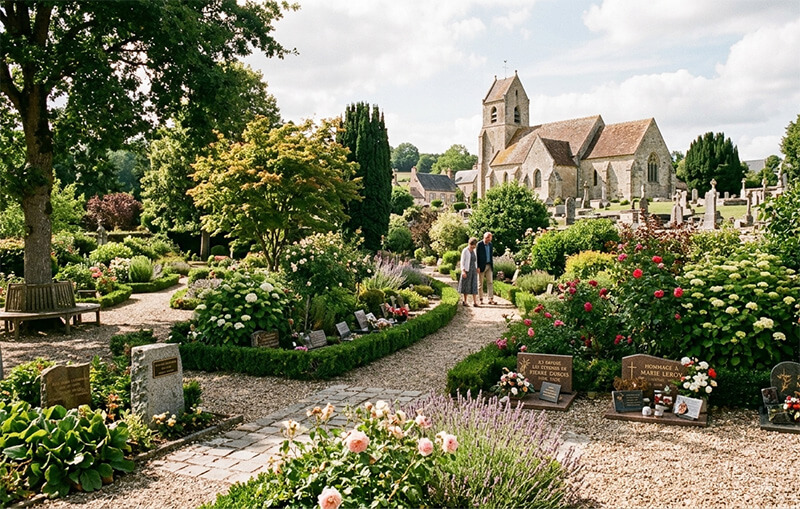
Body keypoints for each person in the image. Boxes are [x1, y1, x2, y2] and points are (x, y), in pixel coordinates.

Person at [458, 237, 479, 307]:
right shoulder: (465, 250)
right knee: (466, 286)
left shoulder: (474, 251)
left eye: (474, 245)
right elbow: (462, 261)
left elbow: (476, 260)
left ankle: (475, 302)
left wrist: (477, 267)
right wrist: (463, 271)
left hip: (473, 270)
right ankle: (465, 301)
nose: (473, 247)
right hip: (467, 270)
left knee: (474, 285)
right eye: (472, 245)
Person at [476, 231, 495, 305]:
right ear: (485, 238)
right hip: (481, 266)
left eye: (490, 239)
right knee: (480, 283)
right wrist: (477, 266)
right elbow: (477, 256)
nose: (489, 240)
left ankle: (490, 299)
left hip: (489, 265)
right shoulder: (479, 244)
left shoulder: (490, 245)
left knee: (490, 282)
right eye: (488, 238)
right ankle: (480, 299)